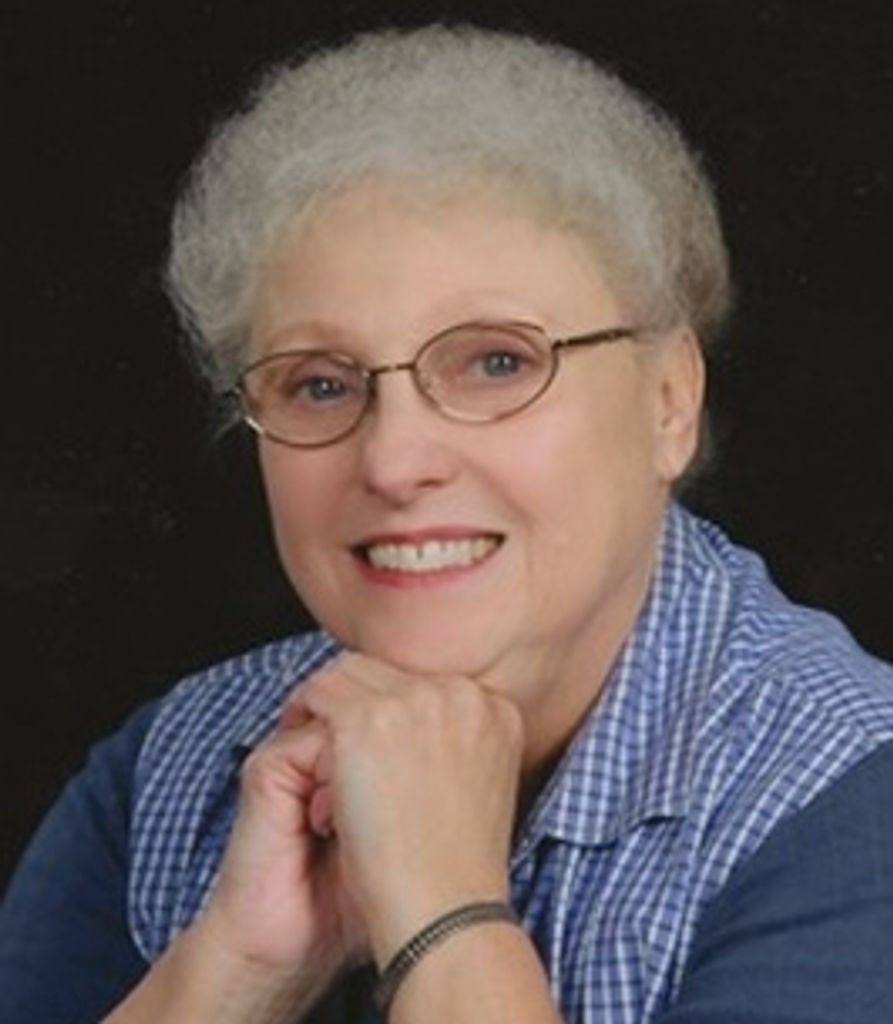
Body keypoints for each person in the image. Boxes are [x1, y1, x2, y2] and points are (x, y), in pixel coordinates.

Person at [2, 24, 892, 1024]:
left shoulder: (852, 800)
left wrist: (444, 909)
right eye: (319, 383)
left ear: (668, 401)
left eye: (496, 362)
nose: (393, 461)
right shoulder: (171, 768)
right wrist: (240, 963)